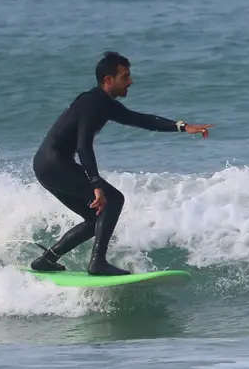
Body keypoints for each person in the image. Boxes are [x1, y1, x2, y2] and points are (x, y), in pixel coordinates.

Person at [30, 51, 209, 275]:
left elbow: (142, 120)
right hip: (55, 163)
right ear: (108, 79)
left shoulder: (104, 103)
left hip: (45, 165)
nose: (130, 81)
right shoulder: (92, 103)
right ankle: (98, 263)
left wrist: (183, 126)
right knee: (113, 199)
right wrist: (96, 185)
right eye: (125, 77)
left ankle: (47, 260)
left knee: (94, 218)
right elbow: (84, 145)